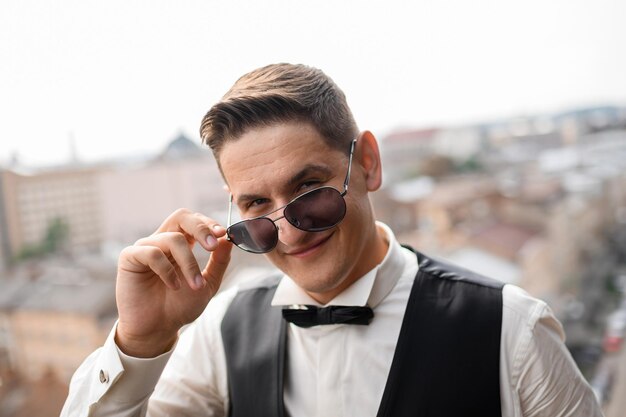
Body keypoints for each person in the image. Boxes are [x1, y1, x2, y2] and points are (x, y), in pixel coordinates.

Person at [61, 63, 603, 417]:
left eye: (310, 190)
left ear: (367, 162)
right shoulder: (218, 336)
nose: (291, 230)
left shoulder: (512, 331)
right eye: (255, 206)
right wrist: (138, 342)